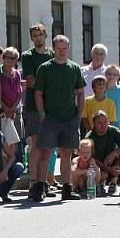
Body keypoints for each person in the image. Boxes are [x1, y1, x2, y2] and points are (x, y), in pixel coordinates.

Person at [33, 34, 85, 201]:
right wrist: (42, 113)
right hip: (50, 118)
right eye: (59, 48)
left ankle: (67, 189)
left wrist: (80, 113)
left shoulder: (74, 68)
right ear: (53, 49)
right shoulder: (45, 68)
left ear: (68, 48)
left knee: (66, 153)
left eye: (65, 48)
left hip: (69, 118)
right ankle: (40, 186)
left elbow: (80, 92)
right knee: (45, 153)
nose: (62, 52)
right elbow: (38, 93)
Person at [20, 24, 53, 191]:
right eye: (35, 35)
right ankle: (33, 181)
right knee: (36, 144)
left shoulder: (53, 54)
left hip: (52, 106)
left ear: (45, 35)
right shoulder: (27, 56)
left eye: (40, 34)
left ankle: (44, 181)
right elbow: (31, 81)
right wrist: (50, 85)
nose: (38, 38)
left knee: (48, 146)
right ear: (32, 38)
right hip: (33, 106)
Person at [85, 110, 120, 196]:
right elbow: (90, 158)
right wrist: (109, 169)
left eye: (105, 122)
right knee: (102, 173)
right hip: (99, 167)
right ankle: (100, 184)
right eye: (99, 123)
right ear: (94, 123)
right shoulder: (89, 137)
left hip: (113, 163)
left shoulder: (113, 130)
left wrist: (114, 153)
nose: (103, 125)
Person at [0, 47, 23, 154]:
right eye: (7, 57)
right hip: (1, 111)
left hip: (15, 111)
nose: (10, 60)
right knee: (3, 139)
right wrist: (6, 109)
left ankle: (15, 162)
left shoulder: (17, 74)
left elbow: (20, 92)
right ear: (3, 58)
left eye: (13, 58)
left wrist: (12, 108)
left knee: (15, 138)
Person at [104, 64, 120, 130]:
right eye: (109, 74)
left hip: (117, 124)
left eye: (114, 74)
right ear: (105, 74)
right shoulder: (102, 89)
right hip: (103, 123)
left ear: (118, 76)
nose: (111, 76)